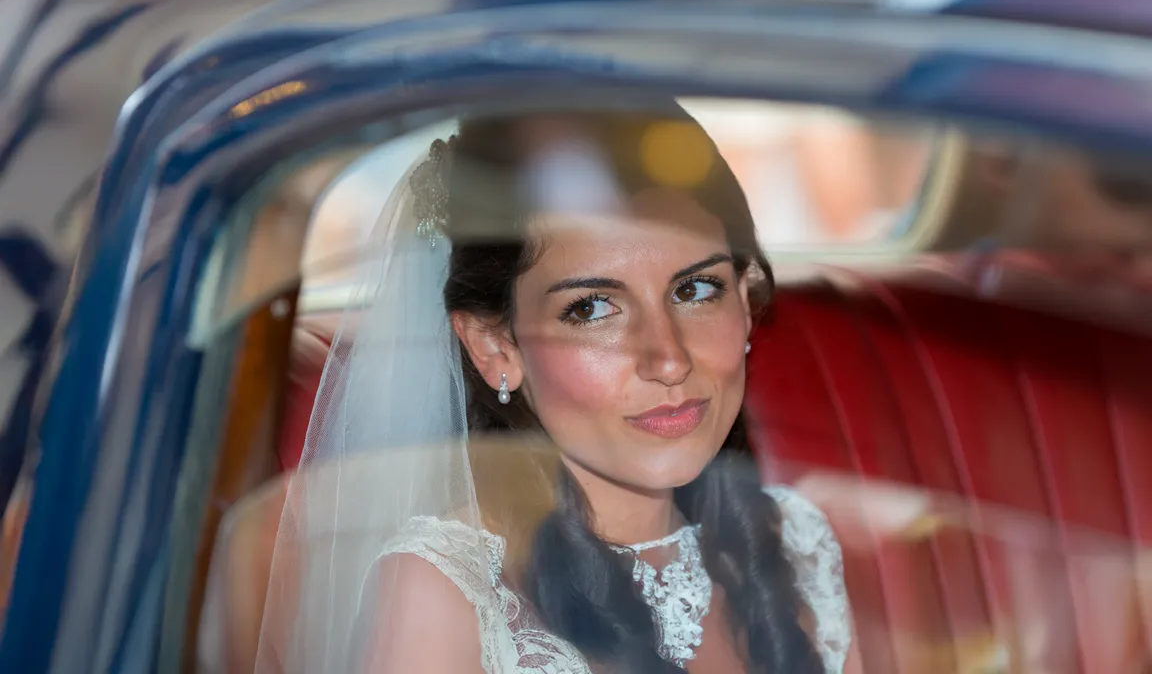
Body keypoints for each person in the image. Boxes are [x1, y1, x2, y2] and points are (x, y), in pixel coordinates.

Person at [256, 106, 854, 673]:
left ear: (747, 302)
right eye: (592, 308)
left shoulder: (799, 543)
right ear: (496, 348)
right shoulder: (446, 594)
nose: (668, 360)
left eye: (696, 291)